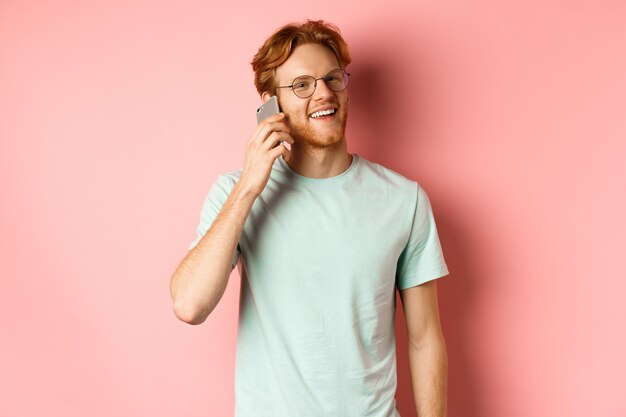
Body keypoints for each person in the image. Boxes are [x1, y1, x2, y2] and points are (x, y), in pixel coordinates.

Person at [170, 19, 450, 417]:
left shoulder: (404, 200)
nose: (323, 93)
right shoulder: (235, 193)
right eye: (302, 85)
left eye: (332, 78)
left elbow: (425, 338)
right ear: (271, 104)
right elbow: (189, 305)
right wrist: (250, 185)